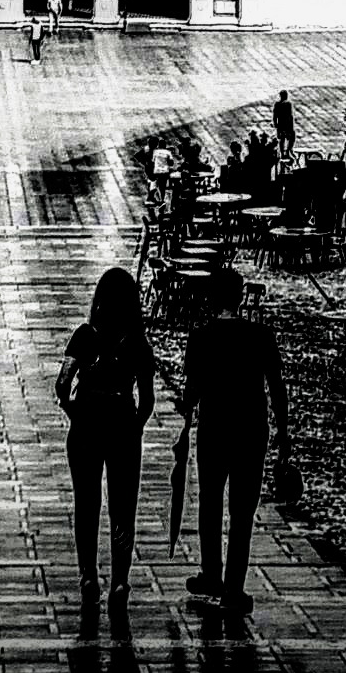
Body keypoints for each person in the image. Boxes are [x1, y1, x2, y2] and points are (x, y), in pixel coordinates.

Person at [182, 267, 291, 616]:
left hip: (213, 431)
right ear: (241, 296)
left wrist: (184, 410)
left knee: (210, 505)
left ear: (211, 298)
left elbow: (191, 391)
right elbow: (277, 387)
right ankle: (234, 588)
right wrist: (284, 433)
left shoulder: (200, 337)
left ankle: (211, 574)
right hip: (250, 431)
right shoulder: (261, 335)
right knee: (242, 512)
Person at [55, 265, 155, 619]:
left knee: (87, 504)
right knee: (122, 508)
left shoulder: (84, 336)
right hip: (122, 424)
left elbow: (62, 384)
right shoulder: (138, 342)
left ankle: (87, 576)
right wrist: (134, 426)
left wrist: (74, 412)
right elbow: (147, 400)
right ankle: (120, 581)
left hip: (86, 423)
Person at [272, 89, 296, 164]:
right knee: (291, 137)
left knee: (281, 140)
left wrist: (275, 124)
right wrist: (291, 126)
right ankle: (288, 151)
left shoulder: (277, 104)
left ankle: (283, 153)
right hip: (287, 125)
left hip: (280, 125)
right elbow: (290, 116)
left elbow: (274, 115)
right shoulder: (288, 103)